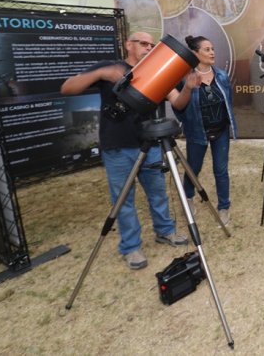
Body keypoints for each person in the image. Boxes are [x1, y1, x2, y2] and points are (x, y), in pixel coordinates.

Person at [60, 32, 193, 270]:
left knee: (158, 193)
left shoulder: (158, 73)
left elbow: (178, 103)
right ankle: (131, 247)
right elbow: (67, 88)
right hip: (118, 146)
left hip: (150, 144)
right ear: (128, 45)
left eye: (152, 45)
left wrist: (189, 88)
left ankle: (165, 231)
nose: (148, 48)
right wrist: (101, 74)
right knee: (123, 200)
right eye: (143, 43)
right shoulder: (110, 68)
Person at [172, 35, 237, 225]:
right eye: (207, 49)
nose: (212, 52)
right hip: (197, 132)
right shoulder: (185, 79)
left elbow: (228, 102)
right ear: (195, 53)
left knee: (221, 170)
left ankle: (224, 208)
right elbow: (179, 107)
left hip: (221, 131)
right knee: (194, 169)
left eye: (213, 49)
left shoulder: (222, 75)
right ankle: (188, 198)